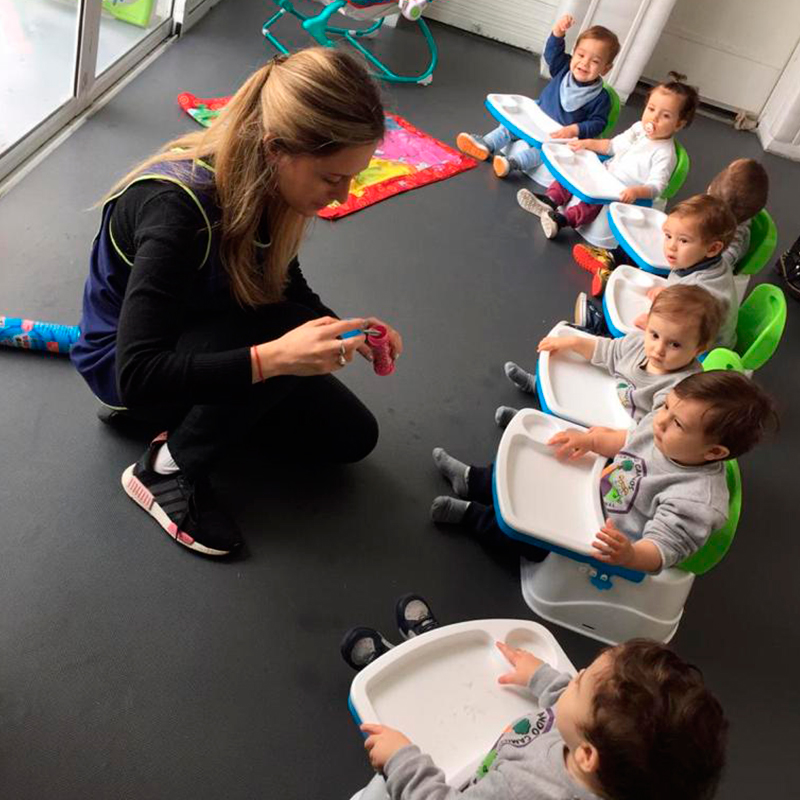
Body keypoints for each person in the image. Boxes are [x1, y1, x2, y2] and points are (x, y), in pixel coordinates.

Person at [71, 48, 403, 557]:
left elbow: (283, 284)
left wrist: (346, 328)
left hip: (201, 329)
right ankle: (164, 469)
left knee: (352, 437)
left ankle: (204, 410)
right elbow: (138, 373)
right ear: (276, 149)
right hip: (127, 369)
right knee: (287, 336)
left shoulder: (265, 185)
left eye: (352, 176)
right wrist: (274, 359)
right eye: (332, 177)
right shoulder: (175, 211)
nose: (342, 196)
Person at [431, 371, 776, 573]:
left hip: (601, 533)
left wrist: (630, 554)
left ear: (713, 453)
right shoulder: (663, 427)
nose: (661, 420)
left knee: (527, 538)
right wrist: (590, 440)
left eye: (677, 423)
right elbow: (628, 438)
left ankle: (473, 517)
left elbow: (663, 550)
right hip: (596, 486)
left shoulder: (696, 501)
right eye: (667, 406)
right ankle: (474, 480)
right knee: (538, 466)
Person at [349, 638, 729, 800]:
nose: (576, 673)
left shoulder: (525, 790)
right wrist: (541, 677)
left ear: (586, 756)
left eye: (579, 681)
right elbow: (566, 710)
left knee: (382, 788)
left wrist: (402, 761)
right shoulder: (613, 762)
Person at [501, 285, 722, 426]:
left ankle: (529, 421)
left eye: (674, 344)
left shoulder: (680, 390)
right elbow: (608, 351)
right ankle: (536, 385)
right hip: (610, 391)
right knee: (573, 376)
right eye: (654, 334)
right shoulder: (639, 343)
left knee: (576, 434)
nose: (658, 349)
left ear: (698, 349)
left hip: (623, 425)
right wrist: (572, 342)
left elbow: (654, 431)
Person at [517, 72, 698, 239]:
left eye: (665, 116)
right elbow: (612, 146)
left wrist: (636, 191)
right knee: (575, 173)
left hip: (621, 189)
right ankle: (550, 200)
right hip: (605, 172)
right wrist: (587, 143)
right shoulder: (638, 128)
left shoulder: (665, 153)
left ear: (679, 124)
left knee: (593, 203)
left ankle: (563, 220)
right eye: (651, 109)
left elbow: (656, 187)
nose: (654, 118)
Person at [572, 157, 770, 295]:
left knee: (652, 271)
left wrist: (689, 253)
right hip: (684, 251)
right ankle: (612, 258)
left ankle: (613, 278)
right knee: (648, 241)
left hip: (687, 270)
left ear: (711, 189)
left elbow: (719, 264)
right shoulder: (709, 209)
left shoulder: (736, 237)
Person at [455, 15, 619, 178]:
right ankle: (487, 144)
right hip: (537, 117)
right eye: (581, 55)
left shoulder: (601, 97)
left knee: (545, 151)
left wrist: (574, 129)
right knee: (511, 126)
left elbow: (598, 124)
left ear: (605, 69)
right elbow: (552, 55)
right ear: (574, 53)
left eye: (595, 61)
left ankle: (512, 163)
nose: (584, 63)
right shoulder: (563, 68)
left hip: (558, 136)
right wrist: (558, 33)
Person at [575, 194, 739, 345]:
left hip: (697, 351)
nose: (671, 246)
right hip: (695, 329)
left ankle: (601, 335)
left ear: (712, 249)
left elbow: (682, 332)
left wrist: (649, 324)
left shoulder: (701, 292)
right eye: (668, 236)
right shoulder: (708, 263)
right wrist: (670, 292)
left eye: (683, 241)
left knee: (644, 337)